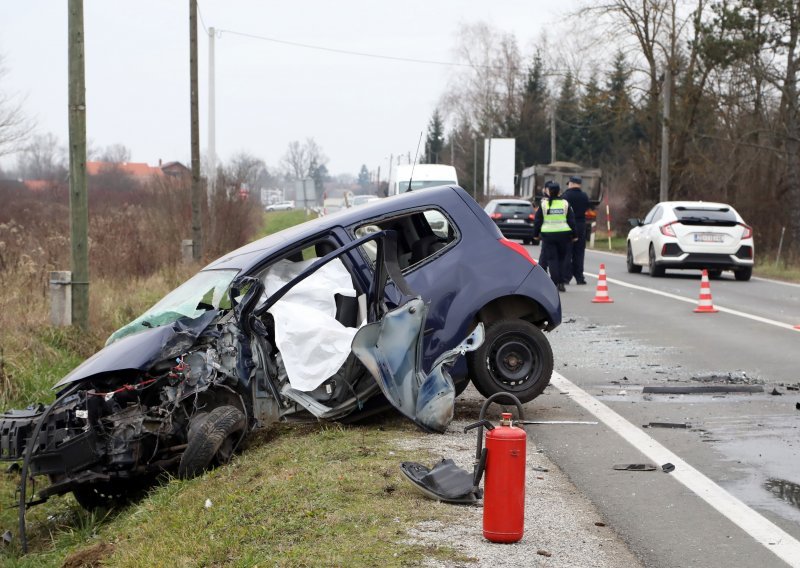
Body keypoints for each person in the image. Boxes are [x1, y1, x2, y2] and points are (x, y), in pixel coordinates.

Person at [532, 181, 577, 292]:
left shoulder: (544, 204)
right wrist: (575, 235)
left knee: (552, 260)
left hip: (548, 236)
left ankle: (554, 282)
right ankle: (561, 282)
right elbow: (571, 221)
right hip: (564, 235)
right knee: (562, 259)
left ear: (548, 192)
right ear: (559, 192)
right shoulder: (565, 204)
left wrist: (535, 235)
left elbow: (538, 221)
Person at [562, 175, 591, 285]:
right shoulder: (584, 196)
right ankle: (579, 277)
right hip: (581, 225)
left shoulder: (566, 196)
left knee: (567, 252)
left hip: (568, 225)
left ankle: (566, 277)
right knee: (579, 252)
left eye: (569, 183)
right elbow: (587, 208)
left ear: (572, 183)